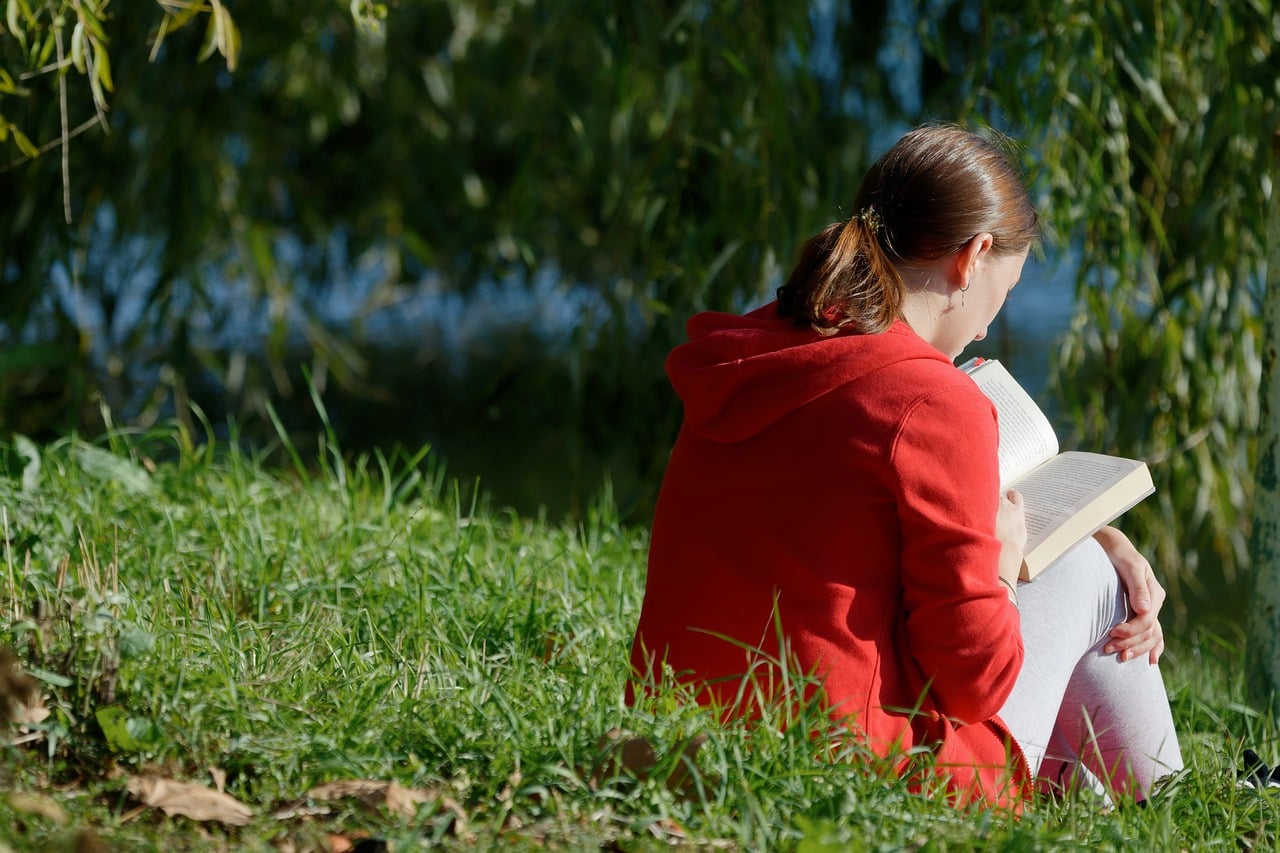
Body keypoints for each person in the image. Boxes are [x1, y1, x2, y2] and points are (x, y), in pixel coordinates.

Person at [627, 122, 1183, 809]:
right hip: (851, 767)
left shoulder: (755, 353)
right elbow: (974, 683)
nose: (983, 330)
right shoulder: (930, 401)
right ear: (972, 256)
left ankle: (1095, 790)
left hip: (681, 728)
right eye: (1001, 294)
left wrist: (1101, 529)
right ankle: (1172, 803)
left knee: (1095, 557)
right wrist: (1005, 570)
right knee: (1088, 577)